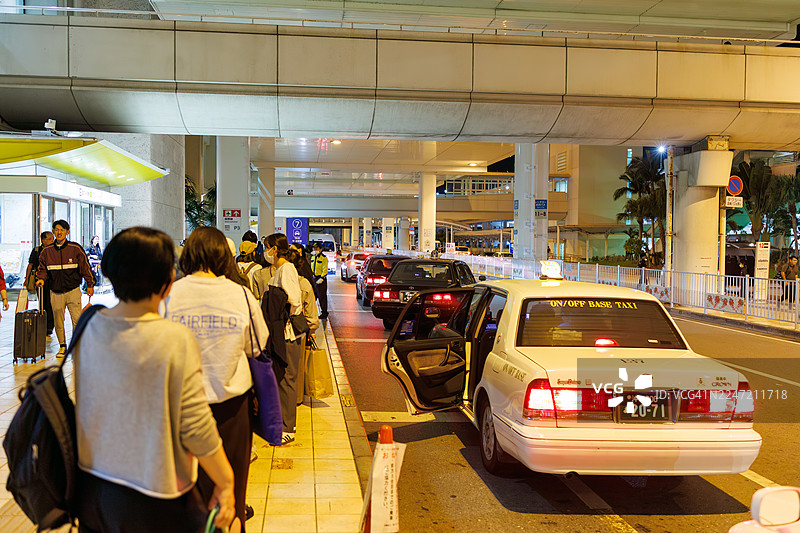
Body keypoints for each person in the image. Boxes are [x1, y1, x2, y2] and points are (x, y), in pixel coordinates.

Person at [74, 227, 235, 532]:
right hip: (155, 494)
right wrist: (225, 480)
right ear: (168, 280)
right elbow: (195, 425)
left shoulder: (89, 324)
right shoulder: (174, 338)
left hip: (94, 488)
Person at [166, 226, 270, 532]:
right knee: (232, 491)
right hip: (232, 409)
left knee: (187, 490)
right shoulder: (240, 294)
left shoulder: (170, 294)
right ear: (224, 256)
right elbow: (257, 346)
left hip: (181, 408)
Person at [264, 233, 304, 444]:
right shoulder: (281, 270)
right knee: (282, 376)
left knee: (287, 378)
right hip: (281, 331)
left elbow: (295, 299)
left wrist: (278, 305)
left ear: (274, 249)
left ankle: (289, 427)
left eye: (267, 247)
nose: (265, 252)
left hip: (288, 332)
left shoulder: (286, 269)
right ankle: (284, 423)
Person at [35, 219, 95, 357]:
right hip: (55, 291)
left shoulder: (75, 249)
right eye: (57, 230)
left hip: (73, 290)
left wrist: (90, 284)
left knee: (77, 319)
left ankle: (75, 346)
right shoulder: (47, 251)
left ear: (67, 232)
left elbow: (85, 267)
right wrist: (41, 279)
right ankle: (62, 346)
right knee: (58, 321)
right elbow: (42, 268)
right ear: (53, 232)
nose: (59, 232)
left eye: (62, 230)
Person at [25, 231, 55, 338]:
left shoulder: (55, 249)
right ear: (43, 240)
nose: (52, 241)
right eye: (50, 239)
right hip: (39, 281)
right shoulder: (37, 250)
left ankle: (50, 326)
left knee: (51, 304)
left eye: (52, 239)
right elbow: (30, 265)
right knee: (42, 303)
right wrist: (26, 279)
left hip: (52, 281)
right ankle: (44, 325)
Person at [310, 242, 329, 320]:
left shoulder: (323, 258)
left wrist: (322, 278)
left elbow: (325, 269)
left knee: (322, 297)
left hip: (321, 280)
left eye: (317, 248)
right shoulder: (313, 257)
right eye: (314, 248)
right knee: (312, 297)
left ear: (320, 249)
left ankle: (324, 313)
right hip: (314, 279)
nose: (315, 250)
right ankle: (312, 312)